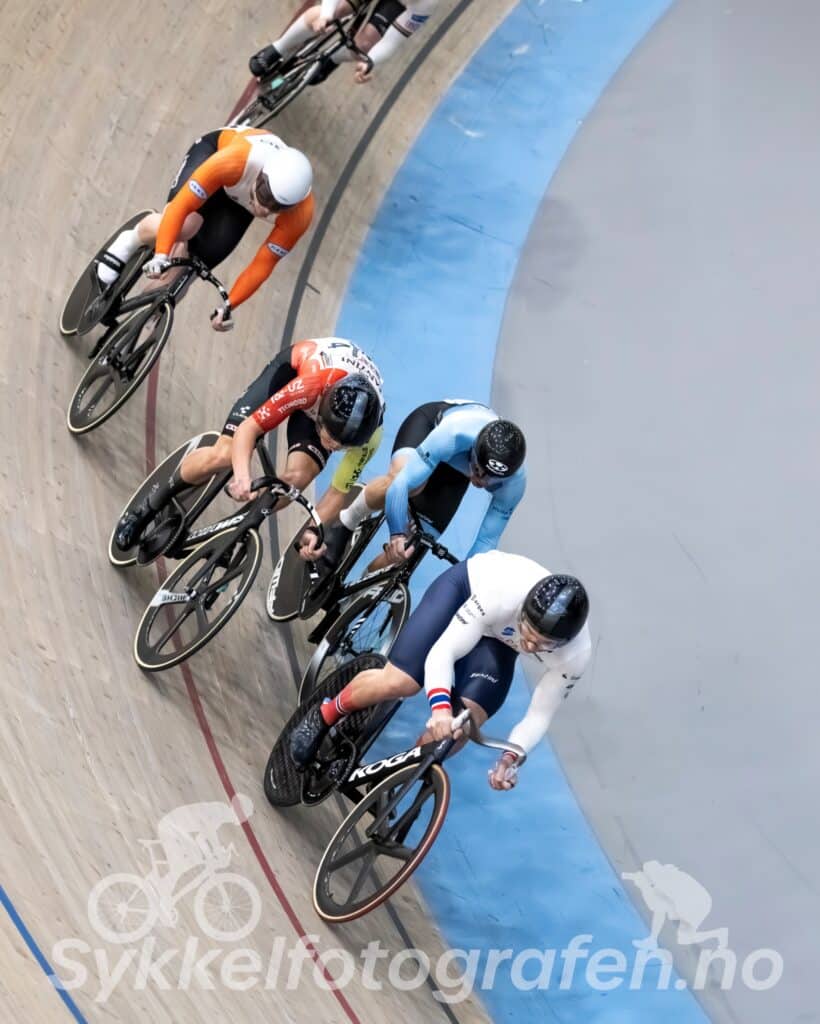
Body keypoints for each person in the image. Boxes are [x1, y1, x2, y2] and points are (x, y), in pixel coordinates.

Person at [289, 551, 591, 790]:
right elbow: (443, 652)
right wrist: (440, 708)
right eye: (527, 631)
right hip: (465, 591)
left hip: (500, 640)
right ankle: (325, 713)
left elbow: (539, 714)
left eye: (540, 645)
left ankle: (393, 780)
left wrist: (511, 757)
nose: (528, 643)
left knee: (461, 727)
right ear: (523, 609)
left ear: (562, 642)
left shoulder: (575, 656)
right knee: (401, 681)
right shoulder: (503, 594)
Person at [114, 338, 384, 551]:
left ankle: (237, 531)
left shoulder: (369, 435)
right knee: (225, 454)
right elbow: (250, 428)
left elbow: (338, 493)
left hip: (327, 406)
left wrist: (314, 529)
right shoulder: (310, 385)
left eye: (342, 445)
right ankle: (149, 506)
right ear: (322, 412)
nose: (334, 446)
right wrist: (242, 476)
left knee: (296, 480)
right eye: (331, 437)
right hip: (293, 372)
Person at [96, 126, 314, 331]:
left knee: (194, 266)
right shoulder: (236, 160)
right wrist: (161, 253)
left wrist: (229, 306)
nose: (266, 210)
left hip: (240, 202)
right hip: (215, 158)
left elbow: (263, 264)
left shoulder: (300, 215)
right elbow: (181, 207)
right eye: (266, 197)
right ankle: (128, 241)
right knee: (186, 228)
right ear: (261, 177)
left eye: (278, 207)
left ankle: (133, 328)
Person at [302, 400, 526, 569]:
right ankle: (347, 521)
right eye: (477, 471)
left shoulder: (514, 486)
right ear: (474, 452)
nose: (480, 481)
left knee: (414, 547)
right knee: (409, 485)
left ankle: (355, 598)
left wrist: (468, 579)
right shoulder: (453, 434)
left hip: (456, 471)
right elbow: (401, 485)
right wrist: (397, 533)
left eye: (490, 480)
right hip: (430, 429)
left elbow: (487, 540)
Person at [248, 0, 438, 87]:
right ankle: (278, 48)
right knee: (330, 12)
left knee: (365, 45)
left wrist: (369, 62)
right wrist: (326, 16)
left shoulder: (428, 2)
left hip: (398, 4)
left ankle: (331, 60)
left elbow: (393, 40)